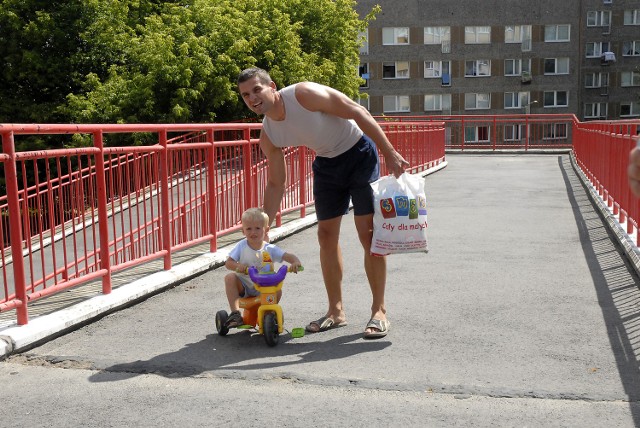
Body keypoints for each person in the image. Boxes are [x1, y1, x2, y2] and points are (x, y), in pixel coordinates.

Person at [237, 67, 409, 339]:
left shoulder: (303, 95)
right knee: (326, 235)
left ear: (272, 86)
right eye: (246, 95)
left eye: (257, 89)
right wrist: (263, 225)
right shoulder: (269, 134)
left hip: (358, 154)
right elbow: (276, 183)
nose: (252, 98)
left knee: (367, 234)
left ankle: (379, 310)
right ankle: (335, 311)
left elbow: (356, 111)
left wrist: (389, 151)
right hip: (327, 165)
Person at [224, 207, 302, 328]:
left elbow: (287, 256)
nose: (253, 232)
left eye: (257, 228)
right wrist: (238, 266)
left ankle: (269, 313)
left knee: (278, 290)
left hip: (265, 288)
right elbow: (228, 263)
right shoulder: (241, 246)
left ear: (266, 230)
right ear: (243, 231)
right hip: (244, 286)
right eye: (248, 229)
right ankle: (235, 313)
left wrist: (295, 262)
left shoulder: (270, 249)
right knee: (229, 278)